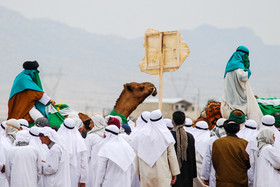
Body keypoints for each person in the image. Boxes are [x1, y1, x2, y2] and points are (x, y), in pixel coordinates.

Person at [133, 109, 180, 187]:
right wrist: (174, 173)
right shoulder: (166, 134)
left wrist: (138, 172)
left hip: (146, 172)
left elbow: (138, 154)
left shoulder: (142, 134)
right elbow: (171, 155)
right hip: (162, 173)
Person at [221, 46, 263, 125]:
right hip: (239, 101)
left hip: (229, 99)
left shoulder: (229, 68)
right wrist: (248, 71)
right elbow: (242, 76)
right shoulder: (238, 67)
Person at [212, 120, 250, 187]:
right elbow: (248, 163)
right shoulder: (244, 143)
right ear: (238, 130)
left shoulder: (217, 143)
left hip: (222, 181)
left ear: (225, 130)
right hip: (240, 181)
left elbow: (215, 162)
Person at [57, 118, 88, 187]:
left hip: (61, 174)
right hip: (76, 175)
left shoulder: (58, 140)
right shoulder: (81, 141)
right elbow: (84, 163)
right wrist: (83, 180)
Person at [171, 111, 197, 187]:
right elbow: (192, 156)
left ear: (172, 122)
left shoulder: (169, 136)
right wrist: (193, 173)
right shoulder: (190, 137)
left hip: (174, 173)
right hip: (187, 173)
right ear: (184, 121)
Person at [201, 118, 226, 187]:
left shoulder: (211, 141)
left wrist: (205, 177)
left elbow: (207, 160)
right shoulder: (232, 140)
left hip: (215, 174)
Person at [85, 115, 107, 187]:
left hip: (92, 166)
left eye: (91, 123)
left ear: (97, 124)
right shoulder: (106, 135)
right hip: (104, 166)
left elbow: (86, 155)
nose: (90, 125)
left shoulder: (91, 136)